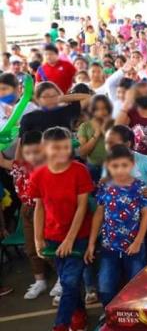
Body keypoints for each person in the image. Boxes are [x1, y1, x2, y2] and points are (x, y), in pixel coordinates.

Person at [30, 127, 94, 331]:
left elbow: (82, 207)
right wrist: (38, 238)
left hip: (79, 236)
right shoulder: (38, 174)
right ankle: (79, 312)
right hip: (52, 236)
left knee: (69, 281)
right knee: (70, 282)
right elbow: (39, 208)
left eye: (66, 147)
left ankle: (61, 324)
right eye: (56, 148)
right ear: (45, 148)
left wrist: (70, 239)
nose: (62, 152)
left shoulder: (79, 170)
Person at [85, 145, 147, 308]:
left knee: (136, 286)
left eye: (124, 165)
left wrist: (138, 242)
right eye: (115, 166)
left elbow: (146, 214)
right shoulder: (105, 187)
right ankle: (108, 317)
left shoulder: (139, 187)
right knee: (106, 287)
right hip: (109, 246)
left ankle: (135, 317)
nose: (120, 170)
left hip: (134, 247)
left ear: (132, 165)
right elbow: (99, 214)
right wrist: (92, 243)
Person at [0, 131, 46, 299]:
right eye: (28, 152)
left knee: (47, 247)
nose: (32, 156)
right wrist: (19, 136)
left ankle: (61, 281)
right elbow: (3, 160)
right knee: (31, 248)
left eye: (36, 152)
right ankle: (39, 280)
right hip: (26, 210)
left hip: (43, 210)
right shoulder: (20, 167)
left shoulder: (46, 168)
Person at [77, 95, 113, 182]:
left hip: (112, 166)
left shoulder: (114, 123)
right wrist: (96, 134)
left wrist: (104, 130)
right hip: (93, 167)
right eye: (97, 109)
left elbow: (119, 148)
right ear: (92, 111)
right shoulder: (85, 126)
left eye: (104, 108)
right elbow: (82, 153)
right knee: (94, 193)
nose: (101, 112)